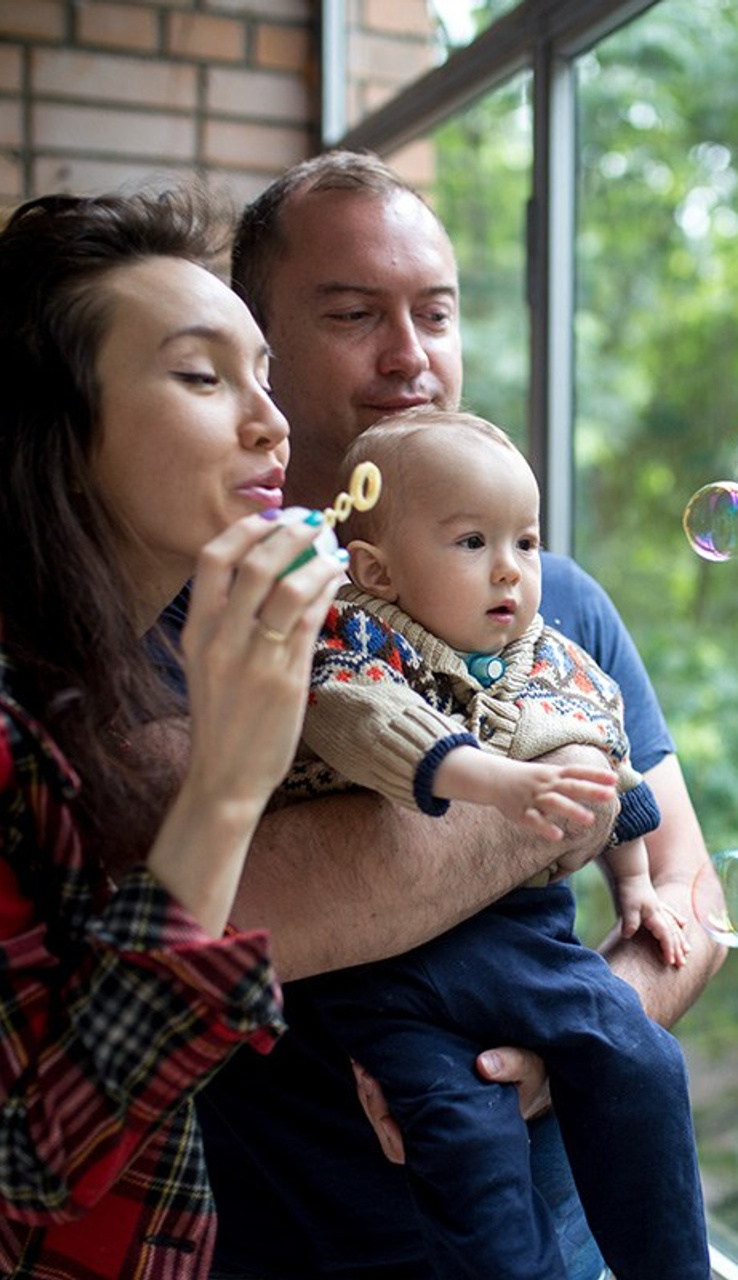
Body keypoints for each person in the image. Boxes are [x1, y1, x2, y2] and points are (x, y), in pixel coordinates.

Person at [195, 149, 726, 1280]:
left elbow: (688, 889)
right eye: (353, 314)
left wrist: (554, 1049)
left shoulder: (551, 593)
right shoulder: (200, 599)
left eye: (434, 312)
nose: (410, 355)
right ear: (257, 344)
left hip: (569, 1241)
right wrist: (546, 798)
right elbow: (223, 917)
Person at [0, 189, 346, 1277]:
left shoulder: (95, 687)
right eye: (202, 375)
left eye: (265, 377)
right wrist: (227, 786)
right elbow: (21, 1175)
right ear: (51, 433)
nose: (271, 424)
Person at [284, 408, 708, 1278]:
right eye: (473, 542)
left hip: (523, 940)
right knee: (463, 1140)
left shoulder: (551, 654)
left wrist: (634, 888)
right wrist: (497, 781)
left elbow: (609, 771)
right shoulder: (349, 634)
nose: (512, 568)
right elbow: (366, 722)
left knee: (639, 1058)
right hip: (386, 973)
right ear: (378, 569)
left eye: (526, 540)